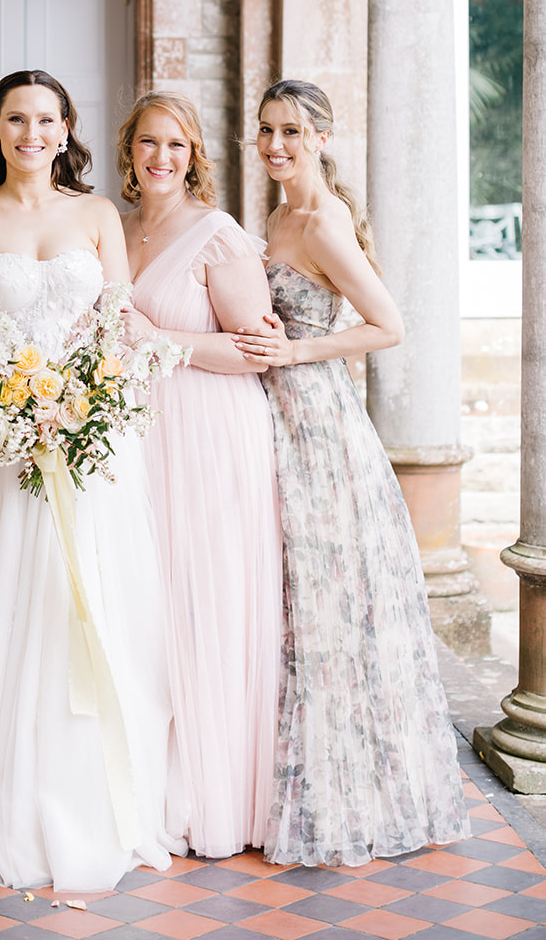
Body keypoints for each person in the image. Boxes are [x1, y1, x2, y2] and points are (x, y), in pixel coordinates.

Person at [0, 70, 184, 894]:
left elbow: (115, 323)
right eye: (14, 119)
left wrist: (80, 402)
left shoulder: (97, 214)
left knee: (85, 598)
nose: (31, 132)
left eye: (45, 119)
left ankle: (90, 794)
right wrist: (4, 401)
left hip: (88, 439)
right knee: (3, 598)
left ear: (67, 129)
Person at [232, 78, 469, 867]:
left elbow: (388, 326)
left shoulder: (323, 223)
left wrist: (295, 350)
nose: (274, 145)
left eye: (291, 132)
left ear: (321, 139)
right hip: (272, 410)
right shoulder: (274, 214)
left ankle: (346, 789)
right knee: (292, 595)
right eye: (265, 130)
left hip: (318, 421)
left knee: (327, 598)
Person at [117, 92, 282, 859]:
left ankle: (217, 798)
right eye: (148, 143)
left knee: (206, 602)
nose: (161, 157)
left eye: (175, 145)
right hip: (141, 434)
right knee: (150, 606)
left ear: (193, 156)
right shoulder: (117, 232)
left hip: (212, 432)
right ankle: (153, 785)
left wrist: (158, 339)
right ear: (129, 151)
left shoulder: (217, 235)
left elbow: (253, 351)